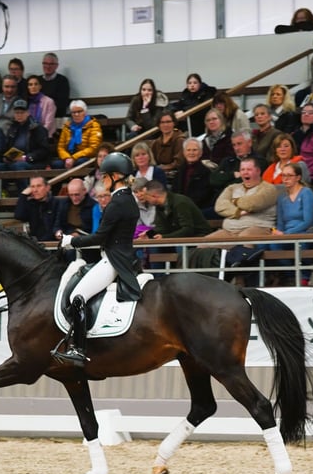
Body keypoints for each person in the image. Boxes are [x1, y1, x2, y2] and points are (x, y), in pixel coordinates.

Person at [57, 152, 141, 366]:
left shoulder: (116, 203)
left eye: (105, 176)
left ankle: (78, 348)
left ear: (115, 176)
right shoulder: (129, 199)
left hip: (113, 260)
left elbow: (100, 237)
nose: (103, 180)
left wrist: (71, 241)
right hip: (120, 256)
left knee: (77, 297)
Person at [269, 162, 313, 285]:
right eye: (283, 175)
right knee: (273, 245)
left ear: (298, 177)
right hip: (286, 234)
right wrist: (278, 232)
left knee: (301, 244)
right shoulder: (282, 198)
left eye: (289, 175)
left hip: (304, 231)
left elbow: (308, 221)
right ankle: (292, 275)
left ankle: (305, 275)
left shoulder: (306, 193)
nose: (285, 179)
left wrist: (286, 234)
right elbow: (280, 222)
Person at [208, 157, 277, 240]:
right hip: (229, 231)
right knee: (202, 245)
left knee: (242, 240)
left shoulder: (269, 189)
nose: (245, 173)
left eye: (249, 169)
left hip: (259, 228)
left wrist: (233, 201)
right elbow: (219, 206)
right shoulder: (232, 188)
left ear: (258, 171)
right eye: (242, 170)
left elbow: (252, 204)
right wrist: (238, 212)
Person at [141, 179, 212, 240]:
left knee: (178, 243)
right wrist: (149, 234)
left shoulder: (180, 202)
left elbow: (187, 229)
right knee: (154, 243)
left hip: (198, 236)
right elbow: (161, 228)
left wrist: (165, 237)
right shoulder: (159, 206)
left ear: (154, 196)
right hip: (176, 236)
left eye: (146, 196)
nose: (145, 199)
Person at [0, 99, 51, 181]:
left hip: (34, 161)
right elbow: (7, 146)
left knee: (20, 166)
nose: (19, 115)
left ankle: (23, 192)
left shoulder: (37, 128)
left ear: (28, 113)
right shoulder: (12, 128)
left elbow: (44, 150)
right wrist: (7, 157)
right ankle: (2, 192)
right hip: (15, 159)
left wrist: (27, 157)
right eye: (17, 113)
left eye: (22, 112)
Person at [210, 130, 265, 199]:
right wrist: (232, 175)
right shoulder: (227, 160)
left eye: (239, 144)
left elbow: (243, 182)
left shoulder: (258, 160)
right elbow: (213, 179)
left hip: (243, 199)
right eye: (234, 145)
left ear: (249, 143)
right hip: (220, 199)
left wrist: (224, 178)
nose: (236, 148)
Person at [54, 100, 103, 169]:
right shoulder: (67, 126)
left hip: (85, 157)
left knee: (80, 163)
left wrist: (74, 157)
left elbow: (93, 148)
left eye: (79, 111)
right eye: (74, 112)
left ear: (85, 112)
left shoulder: (94, 125)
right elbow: (60, 147)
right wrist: (67, 158)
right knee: (56, 164)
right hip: (69, 156)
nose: (76, 114)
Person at [14, 175, 60, 241]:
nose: (35, 190)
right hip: (35, 244)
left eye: (39, 186)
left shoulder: (56, 203)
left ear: (47, 187)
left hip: (53, 242)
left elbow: (56, 227)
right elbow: (19, 216)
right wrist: (23, 195)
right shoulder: (31, 204)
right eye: (32, 187)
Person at [172, 138, 212, 210]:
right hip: (179, 207)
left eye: (194, 150)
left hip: (197, 209)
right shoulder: (179, 171)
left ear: (200, 153)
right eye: (188, 150)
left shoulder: (206, 172)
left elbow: (203, 196)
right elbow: (174, 192)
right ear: (184, 153)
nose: (191, 153)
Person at [150, 110, 186, 178]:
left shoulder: (180, 140)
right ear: (159, 125)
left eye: (168, 122)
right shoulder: (156, 142)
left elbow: (179, 163)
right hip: (159, 174)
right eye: (162, 122)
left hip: (176, 176)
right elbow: (152, 161)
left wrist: (162, 168)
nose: (165, 125)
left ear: (174, 123)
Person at [39, 52, 71, 118]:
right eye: (45, 63)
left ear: (57, 65)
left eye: (51, 64)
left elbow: (62, 104)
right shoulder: (37, 80)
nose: (48, 66)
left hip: (56, 117)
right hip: (39, 118)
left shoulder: (62, 81)